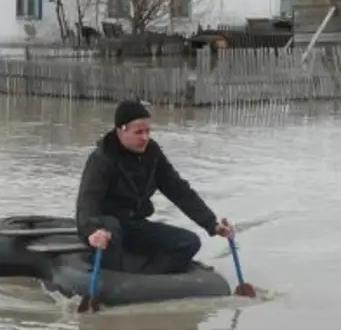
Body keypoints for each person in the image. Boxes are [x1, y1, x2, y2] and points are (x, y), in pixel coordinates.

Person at [75, 99, 235, 274]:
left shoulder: (152, 153)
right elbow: (87, 202)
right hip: (106, 228)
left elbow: (179, 190)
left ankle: (145, 276)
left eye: (148, 131)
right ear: (121, 130)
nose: (145, 137)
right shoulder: (102, 159)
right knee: (111, 227)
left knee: (190, 242)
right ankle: (110, 271)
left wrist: (211, 223)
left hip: (135, 225)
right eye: (139, 132)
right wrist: (92, 231)